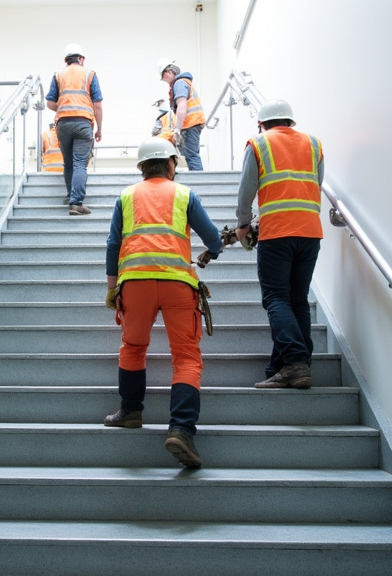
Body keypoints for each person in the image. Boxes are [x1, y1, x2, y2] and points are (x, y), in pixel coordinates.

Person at [103, 137, 223, 468]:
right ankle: (182, 430)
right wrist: (214, 249)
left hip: (135, 284)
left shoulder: (126, 196)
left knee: (133, 347)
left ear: (141, 167)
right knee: (185, 356)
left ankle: (130, 411)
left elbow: (113, 245)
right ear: (172, 164)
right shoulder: (184, 194)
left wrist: (112, 289)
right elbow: (212, 236)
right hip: (177, 284)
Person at [234, 99, 324, 389]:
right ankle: (285, 365)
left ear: (261, 123)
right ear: (290, 122)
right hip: (310, 232)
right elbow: (317, 183)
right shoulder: (314, 145)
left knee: (275, 298)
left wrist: (243, 223)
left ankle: (296, 362)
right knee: (297, 299)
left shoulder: (258, 144)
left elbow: (246, 189)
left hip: (277, 233)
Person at [46, 43, 103, 215]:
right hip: (83, 123)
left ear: (66, 60)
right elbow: (98, 105)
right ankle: (76, 202)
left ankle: (71, 195)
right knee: (79, 163)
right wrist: (99, 129)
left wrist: (65, 108)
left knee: (68, 163)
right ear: (81, 58)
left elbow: (49, 103)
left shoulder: (58, 75)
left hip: (63, 124)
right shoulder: (90, 74)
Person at [157, 58, 205, 171]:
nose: (164, 81)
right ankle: (198, 181)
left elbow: (182, 105)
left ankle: (199, 183)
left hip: (190, 124)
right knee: (191, 156)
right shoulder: (183, 82)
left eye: (163, 77)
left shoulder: (179, 83)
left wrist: (177, 129)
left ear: (169, 72)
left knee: (192, 157)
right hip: (193, 123)